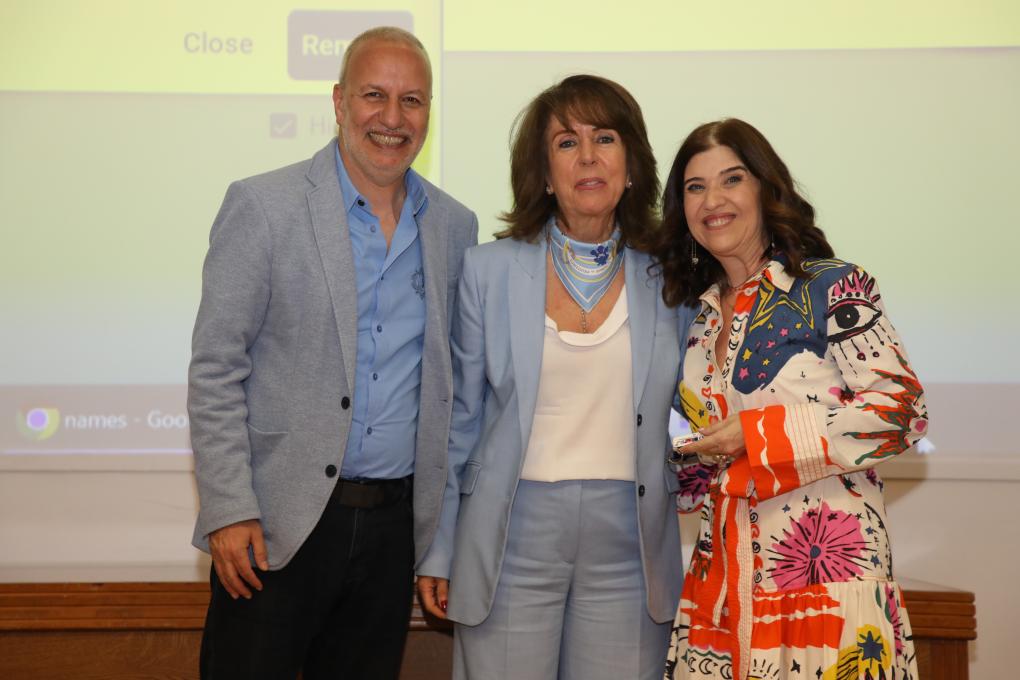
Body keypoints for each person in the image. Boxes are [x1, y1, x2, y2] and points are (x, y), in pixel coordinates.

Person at [188, 26, 478, 679]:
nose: (392, 118)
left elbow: (454, 394)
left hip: (391, 535)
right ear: (339, 100)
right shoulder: (263, 206)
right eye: (375, 95)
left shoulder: (455, 227)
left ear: (429, 111)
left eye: (412, 100)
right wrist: (229, 508)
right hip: (274, 530)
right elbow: (215, 369)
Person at [415, 75, 694, 680]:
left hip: (631, 545)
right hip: (509, 537)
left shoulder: (672, 278)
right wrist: (438, 547)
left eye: (605, 138)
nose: (588, 157)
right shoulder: (487, 271)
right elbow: (458, 422)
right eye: (567, 142)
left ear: (631, 166)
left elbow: (701, 403)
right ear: (544, 173)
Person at [654, 118, 926, 680]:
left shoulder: (833, 286)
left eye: (732, 179)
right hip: (723, 583)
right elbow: (701, 463)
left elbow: (902, 411)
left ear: (765, 188)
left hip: (826, 581)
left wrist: (756, 434)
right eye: (695, 187)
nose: (713, 200)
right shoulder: (698, 318)